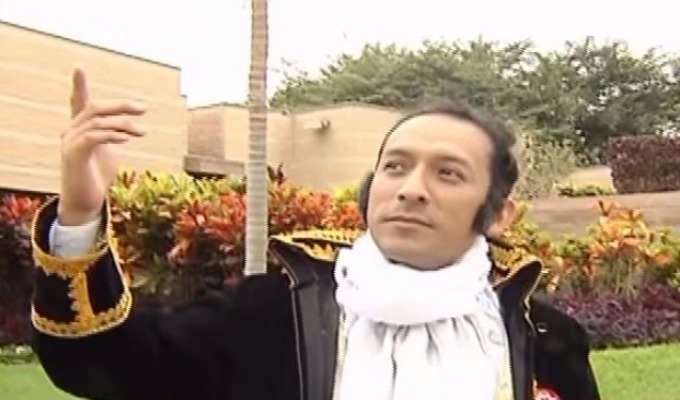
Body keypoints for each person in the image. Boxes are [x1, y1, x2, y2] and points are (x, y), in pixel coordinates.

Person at [29, 68, 600, 400]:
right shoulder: (276, 310)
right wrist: (80, 213)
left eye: (448, 173)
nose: (411, 189)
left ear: (498, 213)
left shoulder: (543, 333)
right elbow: (98, 360)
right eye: (395, 167)